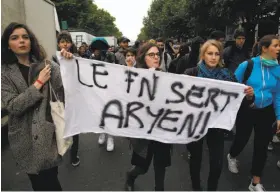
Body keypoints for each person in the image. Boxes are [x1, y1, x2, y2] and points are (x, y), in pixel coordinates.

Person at [1, 22, 66, 191]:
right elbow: (13, 106)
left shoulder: (47, 66)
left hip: (48, 134)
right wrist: (38, 83)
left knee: (51, 180)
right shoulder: (4, 73)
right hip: (25, 137)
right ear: (8, 45)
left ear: (31, 42)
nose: (21, 41)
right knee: (38, 183)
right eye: (15, 38)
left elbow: (65, 89)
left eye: (25, 37)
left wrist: (67, 63)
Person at [184, 40, 254, 191]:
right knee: (195, 160)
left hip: (217, 126)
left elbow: (239, 98)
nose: (213, 57)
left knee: (216, 164)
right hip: (195, 125)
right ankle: (196, 187)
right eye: (210, 53)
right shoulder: (191, 74)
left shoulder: (227, 75)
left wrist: (249, 96)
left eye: (217, 54)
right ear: (203, 55)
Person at [227, 35, 280, 191]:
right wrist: (246, 95)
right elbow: (233, 87)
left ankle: (255, 182)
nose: (279, 49)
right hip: (247, 110)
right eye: (276, 45)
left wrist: (278, 117)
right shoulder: (247, 65)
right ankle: (232, 155)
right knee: (242, 139)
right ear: (264, 48)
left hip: (267, 111)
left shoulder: (278, 69)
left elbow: (277, 94)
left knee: (261, 146)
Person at [124, 43, 171, 191]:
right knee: (141, 167)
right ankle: (130, 176)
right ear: (143, 58)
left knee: (160, 167)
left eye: (158, 54)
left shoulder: (166, 76)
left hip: (162, 130)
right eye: (152, 55)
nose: (156, 57)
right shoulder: (135, 76)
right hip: (143, 133)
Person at [54, 31, 81, 167]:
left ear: (71, 43)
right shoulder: (54, 59)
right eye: (62, 41)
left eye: (67, 41)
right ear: (58, 44)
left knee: (74, 127)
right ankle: (60, 151)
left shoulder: (75, 57)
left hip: (73, 98)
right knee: (60, 127)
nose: (65, 43)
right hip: (59, 99)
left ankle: (74, 155)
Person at [89, 37, 116, 151]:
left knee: (110, 113)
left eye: (100, 48)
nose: (98, 50)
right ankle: (102, 133)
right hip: (97, 91)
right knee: (99, 113)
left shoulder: (110, 56)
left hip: (110, 90)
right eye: (95, 48)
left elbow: (115, 70)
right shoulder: (91, 58)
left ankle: (110, 137)